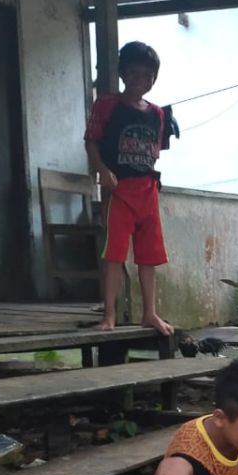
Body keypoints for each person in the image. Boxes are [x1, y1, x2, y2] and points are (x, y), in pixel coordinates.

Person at [85, 41, 174, 336]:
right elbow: (92, 141)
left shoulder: (158, 114)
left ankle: (150, 313)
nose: (141, 80)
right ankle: (109, 315)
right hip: (119, 190)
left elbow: (154, 150)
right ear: (123, 73)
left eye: (148, 75)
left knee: (150, 256)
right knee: (115, 254)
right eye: (135, 73)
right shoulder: (107, 105)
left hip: (148, 190)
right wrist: (102, 170)